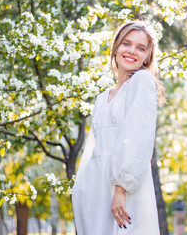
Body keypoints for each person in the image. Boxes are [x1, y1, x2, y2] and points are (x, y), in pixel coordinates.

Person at [71, 20, 166, 235]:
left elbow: (137, 137)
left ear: (147, 56)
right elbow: (93, 150)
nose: (132, 51)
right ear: (116, 47)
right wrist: (81, 193)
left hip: (125, 190)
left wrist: (121, 189)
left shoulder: (142, 82)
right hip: (96, 191)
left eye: (141, 48)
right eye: (127, 43)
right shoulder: (101, 97)